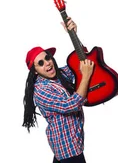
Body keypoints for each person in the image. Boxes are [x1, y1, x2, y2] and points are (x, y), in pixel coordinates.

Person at [22, 17, 95, 163]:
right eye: (40, 63)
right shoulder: (41, 90)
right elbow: (71, 105)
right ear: (35, 71)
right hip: (68, 149)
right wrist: (86, 77)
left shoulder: (59, 75)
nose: (47, 64)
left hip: (71, 144)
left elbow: (81, 64)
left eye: (47, 58)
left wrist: (74, 35)